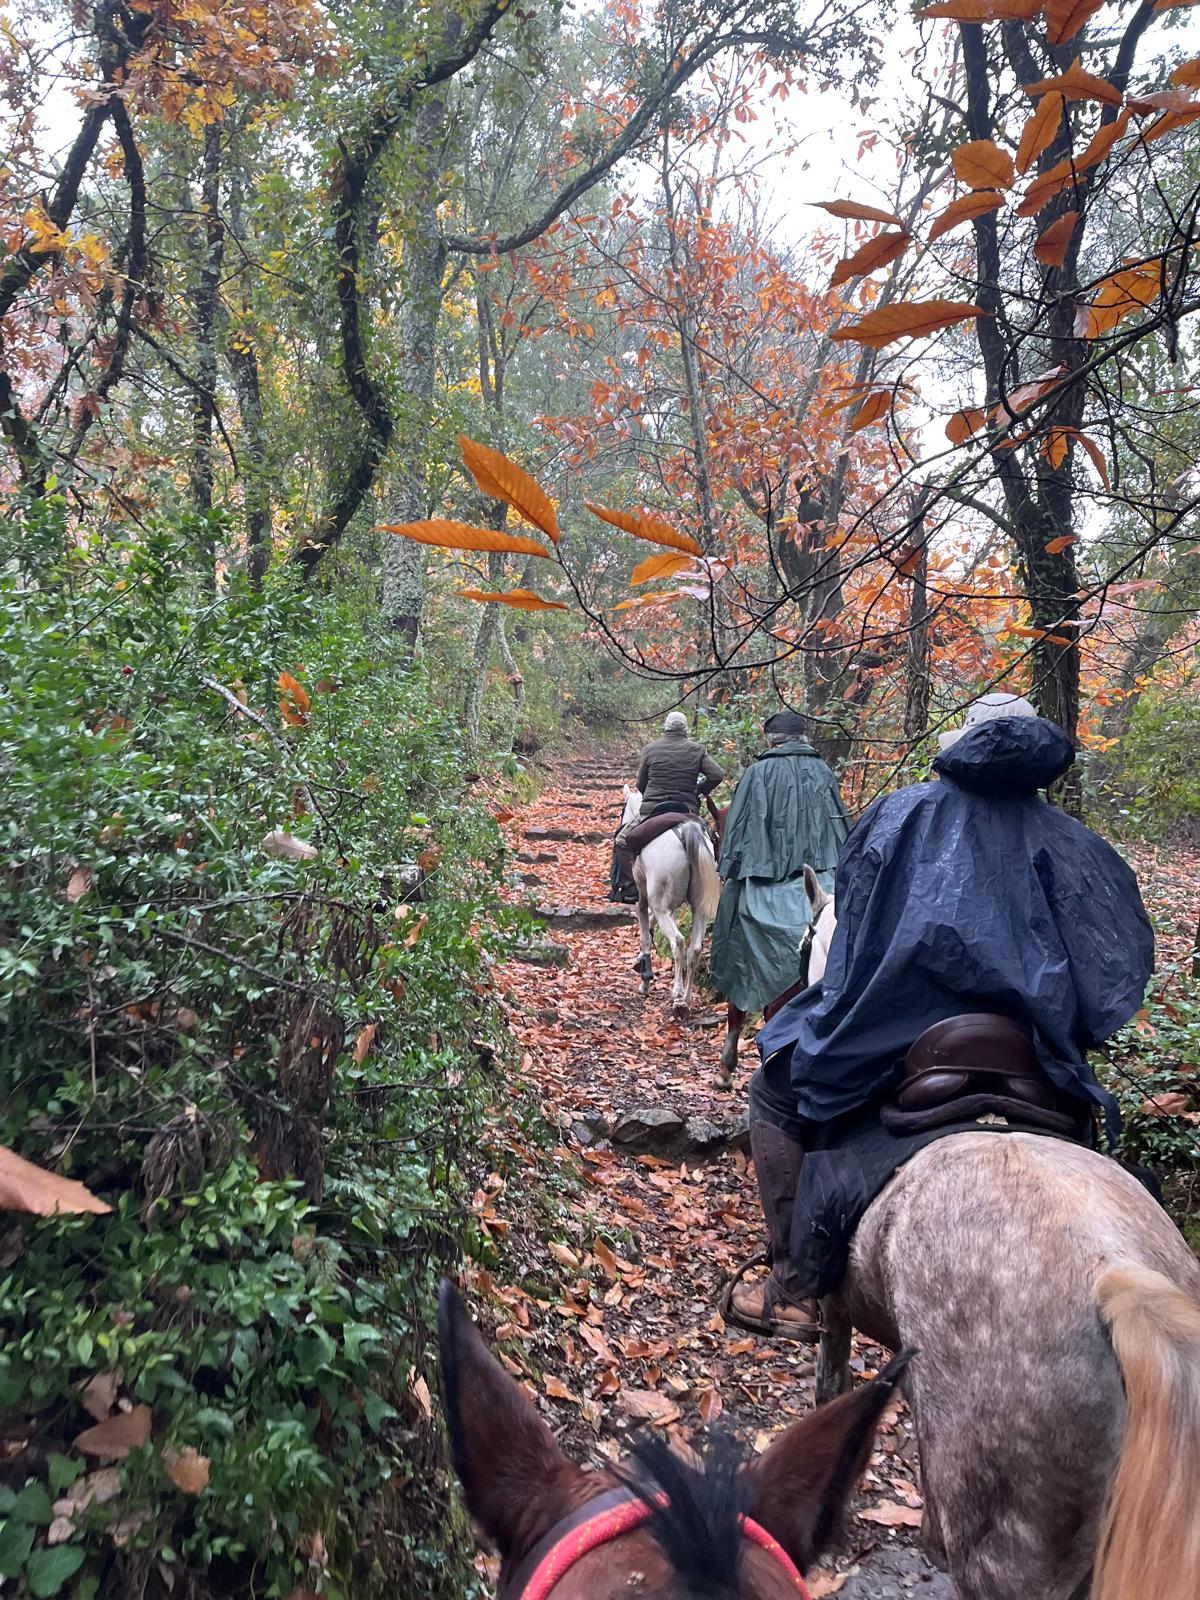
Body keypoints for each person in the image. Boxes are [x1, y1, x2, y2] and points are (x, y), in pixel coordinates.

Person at [726, 692, 1155, 1338]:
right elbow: (1114, 968)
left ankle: (793, 1286)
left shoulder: (900, 814)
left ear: (964, 746)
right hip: (1031, 1052)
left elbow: (855, 939)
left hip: (900, 1031)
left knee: (773, 1089)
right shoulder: (1077, 843)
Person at [710, 709, 849, 1016]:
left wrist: (731, 868)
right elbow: (841, 828)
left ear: (772, 741)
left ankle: (742, 999)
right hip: (824, 877)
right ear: (802, 738)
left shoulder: (757, 773)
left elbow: (737, 832)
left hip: (765, 884)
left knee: (734, 910)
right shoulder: (823, 770)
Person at [609, 711, 724, 903]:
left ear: (666, 728)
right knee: (713, 841)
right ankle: (715, 886)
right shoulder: (696, 750)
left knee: (622, 841)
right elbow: (717, 774)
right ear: (685, 729)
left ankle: (630, 889)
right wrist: (699, 790)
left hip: (653, 810)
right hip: (686, 810)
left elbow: (641, 784)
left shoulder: (650, 750)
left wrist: (651, 796)